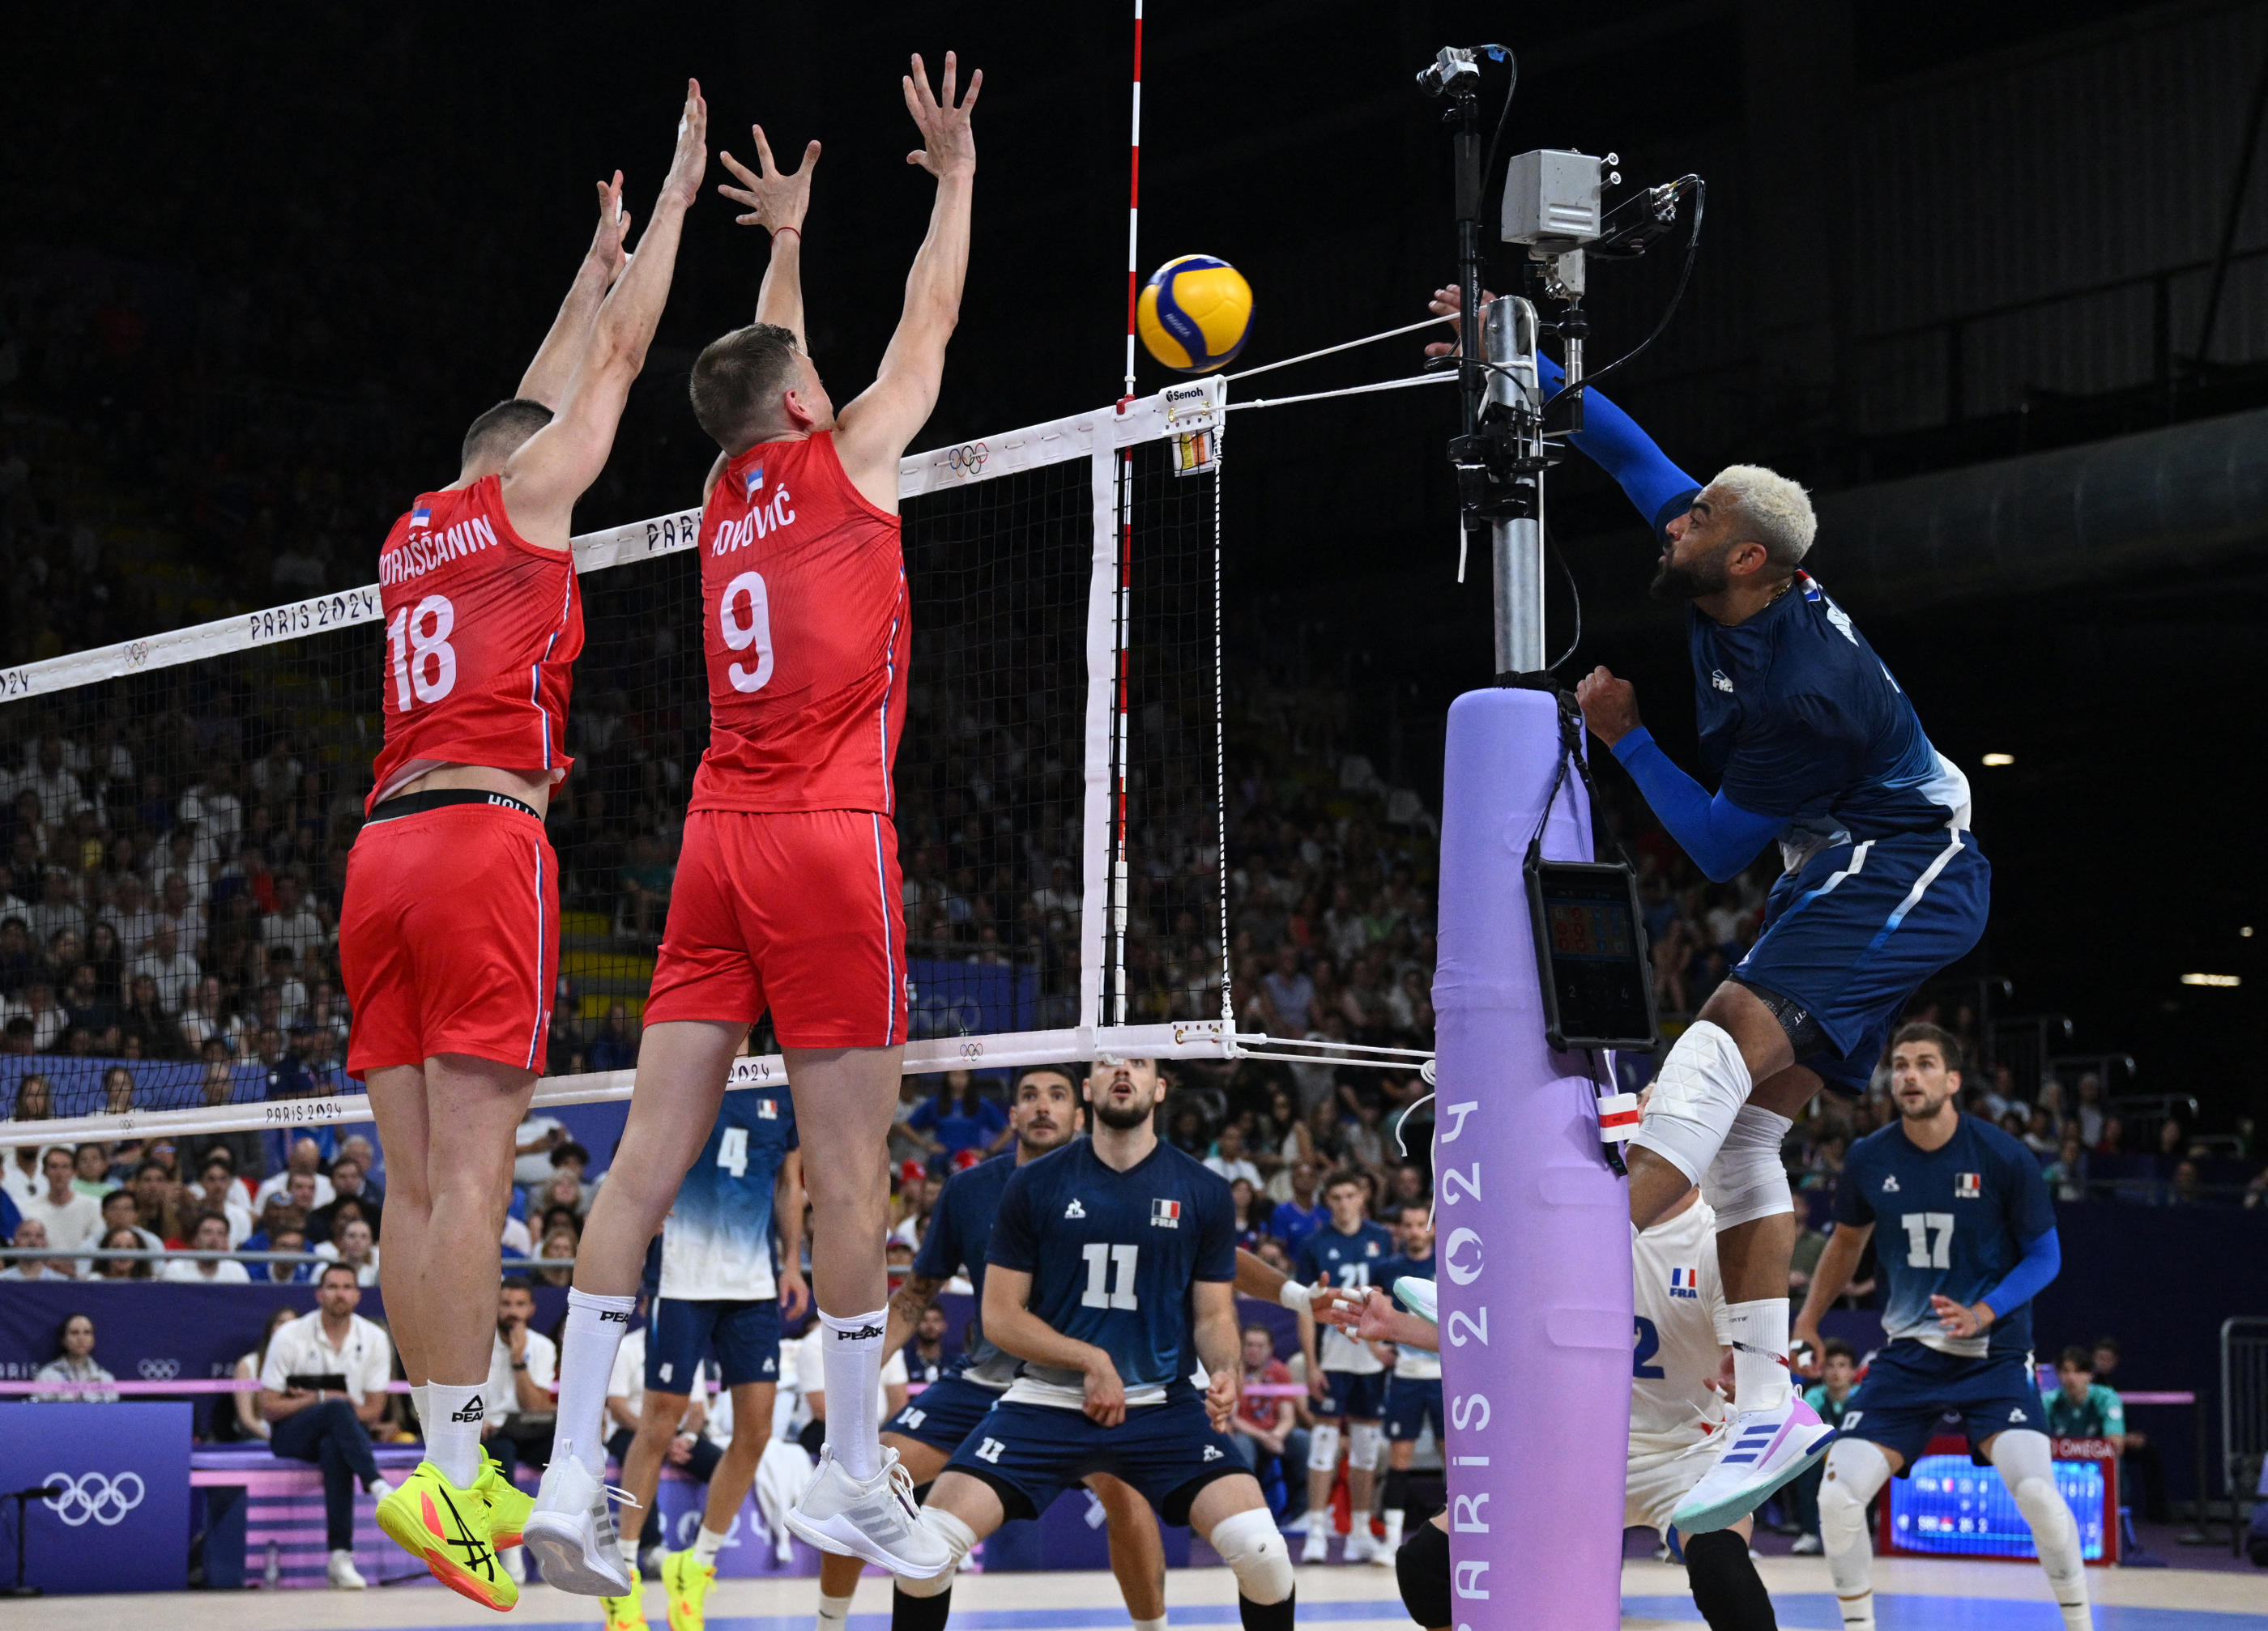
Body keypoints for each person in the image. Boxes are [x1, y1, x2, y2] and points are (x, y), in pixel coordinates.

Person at [1430, 282, 1990, 1531]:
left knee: (1718, 1033)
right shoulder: (1727, 568)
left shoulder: (1807, 692)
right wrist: (1507, 356)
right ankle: (1761, 1401)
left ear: (1745, 556)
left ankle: (1567, 1256)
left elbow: (1717, 845)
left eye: (1699, 519)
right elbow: (1627, 452)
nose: (1672, 520)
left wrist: (1623, 737)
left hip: (1902, 858)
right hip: (1845, 859)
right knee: (1745, 1136)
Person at [534, 56, 981, 1588]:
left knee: (641, 1164)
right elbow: (926, 323)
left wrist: (783, 236)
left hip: (711, 838)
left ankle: (569, 1476)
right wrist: (960, 178)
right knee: (852, 1171)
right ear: (801, 399)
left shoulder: (727, 494)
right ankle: (855, 1468)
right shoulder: (848, 456)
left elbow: (764, 368)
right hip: (823, 829)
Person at [352, 87, 710, 1616]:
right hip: (486, 838)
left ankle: (450, 1463)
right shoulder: (529, 503)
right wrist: (677, 208)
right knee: (472, 1185)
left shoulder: (417, 525)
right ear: (531, 463)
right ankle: (457, 1476)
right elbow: (613, 369)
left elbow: (541, 382)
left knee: (415, 1183)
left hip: (377, 852)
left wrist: (589, 255)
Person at [886, 1055, 1297, 1631]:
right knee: (922, 1553)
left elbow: (1213, 1314)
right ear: (1091, 1088)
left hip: (1160, 1405)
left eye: (1137, 1062)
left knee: (1264, 1556)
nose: (1121, 1071)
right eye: (1107, 1063)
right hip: (1044, 1403)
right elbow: (1000, 1318)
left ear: (1159, 1087)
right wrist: (1090, 1359)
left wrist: (1226, 1368)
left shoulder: (1203, 1189)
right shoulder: (1032, 1185)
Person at [832, 1065, 1168, 1631]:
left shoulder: (1123, 1187)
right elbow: (916, 1298)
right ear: (1010, 1116)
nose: (1042, 1107)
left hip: (1081, 1386)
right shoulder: (969, 1190)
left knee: (1126, 1498)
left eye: (1057, 1097)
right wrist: (858, 1374)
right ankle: (829, 1622)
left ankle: (1152, 1629)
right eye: (1029, 1096)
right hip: (985, 1380)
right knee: (860, 1481)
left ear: (1079, 1118)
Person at [1790, 1024, 2087, 1631]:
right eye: (1899, 1065)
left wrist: (1984, 1311)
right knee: (1837, 1498)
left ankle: (2081, 1624)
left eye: (1925, 1064)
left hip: (1994, 1356)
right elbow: (1846, 1243)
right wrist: (1809, 1321)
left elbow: (2046, 1257)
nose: (1908, 1075)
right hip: (1907, 1357)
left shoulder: (2004, 1156)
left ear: (1952, 1081)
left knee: (2035, 1492)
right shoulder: (1870, 1157)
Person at [595, 1082, 806, 1631]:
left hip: (754, 1282)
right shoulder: (676, 1076)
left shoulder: (779, 1094)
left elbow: (790, 1185)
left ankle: (698, 1565)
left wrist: (791, 1265)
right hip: (681, 1277)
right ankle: (620, 1576)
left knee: (757, 1433)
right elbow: (627, 1167)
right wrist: (644, 1218)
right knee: (658, 1423)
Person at [262, 1263, 399, 1590]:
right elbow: (268, 1407)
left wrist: (331, 1403)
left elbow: (373, 1411)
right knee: (337, 1407)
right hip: (292, 1435)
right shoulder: (289, 1335)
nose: (340, 1293)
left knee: (335, 1447)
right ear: (319, 1293)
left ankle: (340, 1557)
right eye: (332, 1286)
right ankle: (376, 1483)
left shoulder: (375, 1337)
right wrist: (320, 1399)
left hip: (342, 1438)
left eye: (347, 1287)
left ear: (357, 1295)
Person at [1294, 1167, 1395, 1562]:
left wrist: (1384, 1347)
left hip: (1369, 1356)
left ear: (1362, 1198)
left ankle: (1358, 1530)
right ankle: (1317, 1530)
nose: (1343, 1204)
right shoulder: (1315, 1243)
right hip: (1333, 1355)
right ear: (1327, 1202)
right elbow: (1305, 1307)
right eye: (1335, 1198)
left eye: (1350, 1196)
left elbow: (1388, 1302)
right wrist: (1313, 1364)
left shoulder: (1381, 1239)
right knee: (1323, 1444)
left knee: (1367, 1447)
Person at [1374, 1202, 1439, 1561]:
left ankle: (1456, 1535)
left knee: (1457, 1459)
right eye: (1408, 1224)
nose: (1415, 1230)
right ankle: (1391, 1541)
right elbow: (1370, 1307)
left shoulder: (1452, 1261)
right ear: (1399, 1229)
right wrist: (1375, 1352)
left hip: (1447, 1376)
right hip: (1407, 1375)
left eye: (1420, 1224)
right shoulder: (1387, 1269)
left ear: (1430, 1228)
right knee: (1400, 1458)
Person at [1787, 1339, 1861, 1553]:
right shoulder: (1813, 1397)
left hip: (1853, 1457)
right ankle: (1809, 1534)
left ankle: (1850, 1535)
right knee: (1805, 1469)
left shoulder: (1861, 1397)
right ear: (1821, 1369)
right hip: (1820, 1456)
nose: (1836, 1372)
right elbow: (1803, 1433)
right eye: (1830, 1365)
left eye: (1842, 1365)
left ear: (1853, 1371)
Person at [1230, 1323, 1298, 1518]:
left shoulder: (1280, 1371)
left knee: (1305, 1443)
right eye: (1250, 1345)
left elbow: (1288, 1416)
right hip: (1245, 1432)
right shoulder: (1235, 1372)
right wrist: (1264, 1437)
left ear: (1270, 1348)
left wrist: (1276, 1435)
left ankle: (1300, 1514)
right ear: (1241, 1347)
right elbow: (1232, 1418)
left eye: (1260, 1346)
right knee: (1241, 1448)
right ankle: (1243, 1512)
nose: (1254, 1350)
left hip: (1275, 1432)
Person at [232, 1306, 302, 1443]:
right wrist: (274, 1440)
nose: (286, 1328)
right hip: (260, 1436)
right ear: (270, 1329)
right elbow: (246, 1418)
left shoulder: (307, 1364)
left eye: (292, 1323)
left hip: (297, 1434)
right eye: (281, 1322)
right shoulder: (248, 1364)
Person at [19, 1143, 102, 1253]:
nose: (59, 1173)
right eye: (54, 1167)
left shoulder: (93, 1206)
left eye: (65, 1167)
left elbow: (97, 1242)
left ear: (74, 1172)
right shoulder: (28, 1209)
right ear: (44, 1172)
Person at [2044, 1347, 2127, 1446]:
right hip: (2059, 1461)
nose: (2071, 1378)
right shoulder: (2048, 1401)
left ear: (2090, 1375)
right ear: (2058, 1374)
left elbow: (2115, 1445)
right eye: (2065, 1371)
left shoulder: (2107, 1398)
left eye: (2078, 1372)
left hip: (2098, 1460)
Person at [30, 1313, 117, 1402]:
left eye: (87, 1333)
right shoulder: (47, 1377)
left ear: (93, 1340)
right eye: (74, 1333)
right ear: (63, 1339)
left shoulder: (105, 1379)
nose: (81, 1338)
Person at [162, 1211, 252, 1283]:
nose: (214, 1239)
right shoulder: (176, 1270)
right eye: (207, 1232)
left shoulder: (237, 1272)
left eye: (220, 1233)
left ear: (226, 1242)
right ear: (195, 1240)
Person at [0, 1218, 71, 1280]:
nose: (32, 1241)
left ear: (45, 1244)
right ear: (15, 1243)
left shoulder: (60, 1282)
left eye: (39, 1236)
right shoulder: (3, 1281)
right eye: (25, 1235)